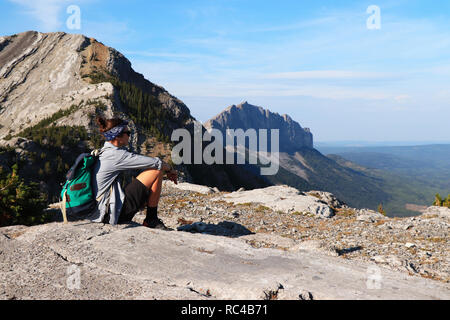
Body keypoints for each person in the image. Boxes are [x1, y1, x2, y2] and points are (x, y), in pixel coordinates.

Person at [90, 117, 178, 230]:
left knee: (153, 171)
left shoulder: (102, 152)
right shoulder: (116, 155)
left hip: (98, 210)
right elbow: (156, 163)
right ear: (117, 136)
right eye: (127, 132)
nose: (129, 135)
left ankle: (151, 219)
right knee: (156, 171)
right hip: (108, 215)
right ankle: (151, 219)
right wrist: (170, 169)